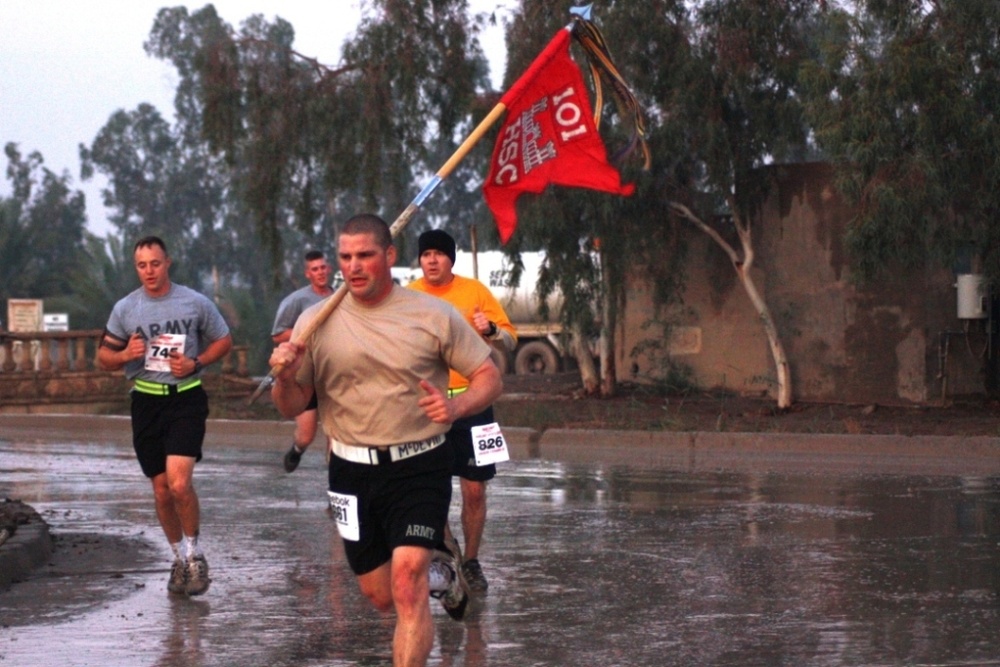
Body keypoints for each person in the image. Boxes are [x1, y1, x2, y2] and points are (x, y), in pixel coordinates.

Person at [269, 214, 502, 667]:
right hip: (350, 470)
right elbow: (290, 405)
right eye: (346, 257)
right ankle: (445, 576)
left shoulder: (431, 314)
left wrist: (455, 409)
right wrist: (283, 373)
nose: (354, 266)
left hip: (420, 463)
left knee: (406, 583)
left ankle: (427, 571)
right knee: (379, 596)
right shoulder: (315, 322)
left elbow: (488, 376)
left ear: (390, 256)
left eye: (366, 256)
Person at [97, 236, 233, 596]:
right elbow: (103, 357)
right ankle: (177, 559)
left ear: (167, 262)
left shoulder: (194, 302)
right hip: (146, 402)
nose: (149, 271)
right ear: (136, 268)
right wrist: (126, 353)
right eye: (142, 266)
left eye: (155, 264)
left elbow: (223, 340)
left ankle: (195, 554)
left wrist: (196, 362)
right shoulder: (125, 309)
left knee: (179, 484)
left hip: (185, 399)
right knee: (160, 491)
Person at [408, 229, 516, 593]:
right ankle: (445, 550)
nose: (432, 260)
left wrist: (492, 331)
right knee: (432, 489)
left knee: (474, 491)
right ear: (419, 260)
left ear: (451, 258)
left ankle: (471, 561)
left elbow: (511, 338)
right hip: (429, 408)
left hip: (475, 406)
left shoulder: (475, 292)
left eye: (439, 253)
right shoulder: (408, 296)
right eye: (426, 255)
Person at [271, 249, 333, 472]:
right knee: (307, 435)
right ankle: (297, 449)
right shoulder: (296, 300)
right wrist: (306, 332)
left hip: (332, 373)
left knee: (335, 437)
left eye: (323, 267)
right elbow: (277, 335)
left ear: (330, 268)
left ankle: (335, 489)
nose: (320, 272)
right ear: (308, 273)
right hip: (305, 374)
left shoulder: (340, 297)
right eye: (315, 269)